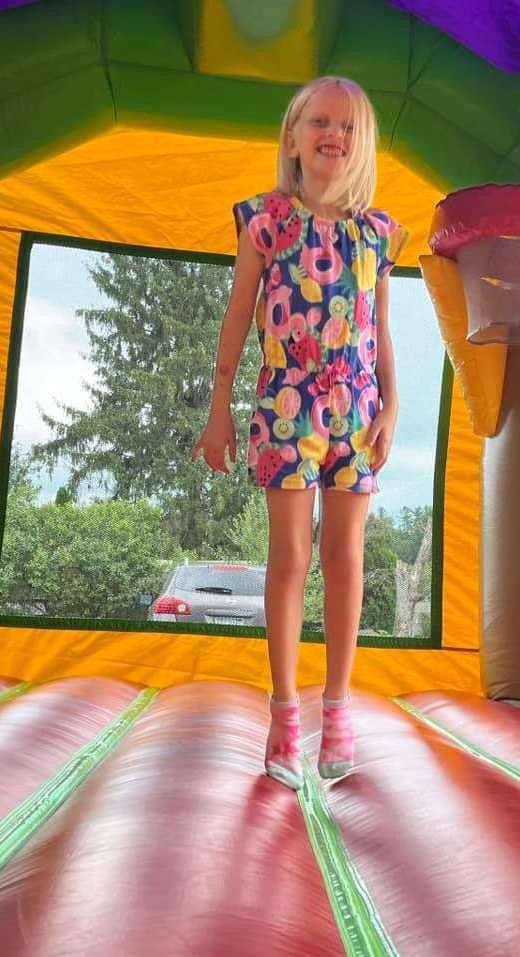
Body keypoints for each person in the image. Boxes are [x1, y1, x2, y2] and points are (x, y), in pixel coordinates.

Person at [192, 76, 408, 790]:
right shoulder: (267, 222)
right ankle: (285, 713)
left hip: (357, 409)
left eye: (348, 127)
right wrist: (219, 407)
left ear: (361, 144)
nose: (333, 135)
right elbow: (237, 316)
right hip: (288, 400)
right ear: (293, 137)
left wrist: (392, 406)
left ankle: (337, 708)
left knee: (346, 556)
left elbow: (380, 329)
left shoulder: (376, 234)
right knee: (290, 554)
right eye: (320, 122)